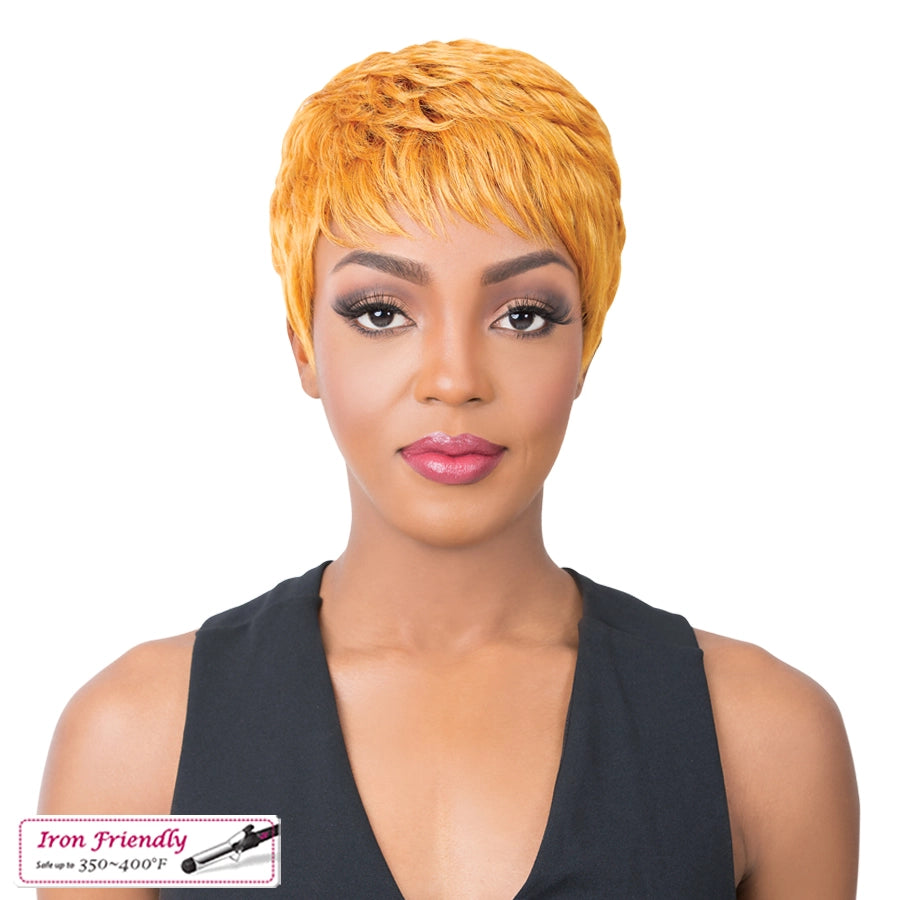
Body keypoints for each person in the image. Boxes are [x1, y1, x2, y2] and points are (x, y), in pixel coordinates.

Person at [39, 39, 859, 899]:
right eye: (381, 312)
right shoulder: (121, 744)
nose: (455, 379)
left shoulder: (770, 741)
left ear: (587, 345)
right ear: (304, 348)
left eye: (524, 315)